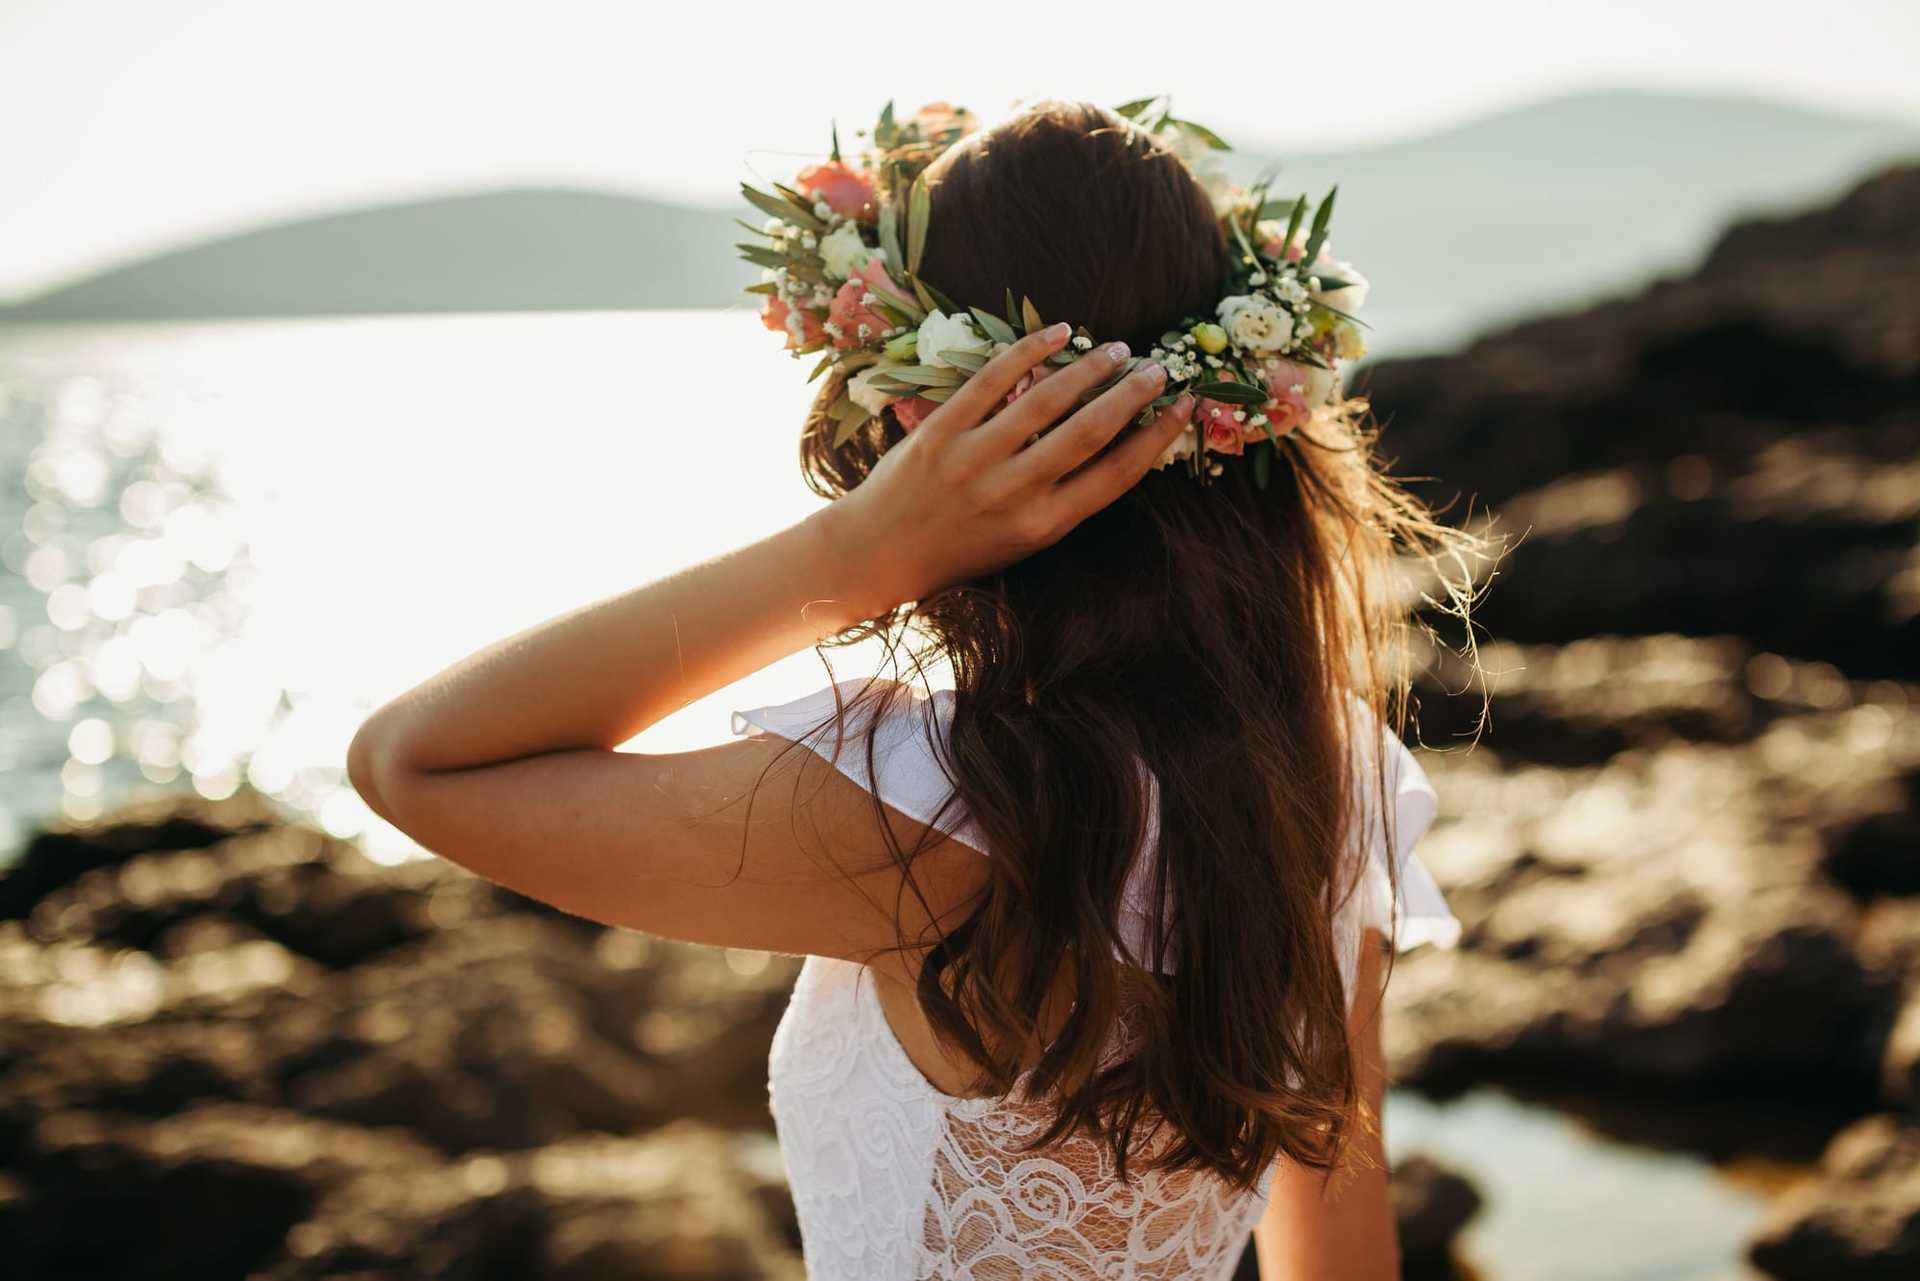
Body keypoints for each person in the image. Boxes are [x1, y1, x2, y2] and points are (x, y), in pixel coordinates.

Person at [347, 98, 1484, 1280]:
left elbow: (411, 761)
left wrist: (857, 557)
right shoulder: (1335, 774)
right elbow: (1344, 1254)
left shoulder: (942, 809)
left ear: (921, 418)